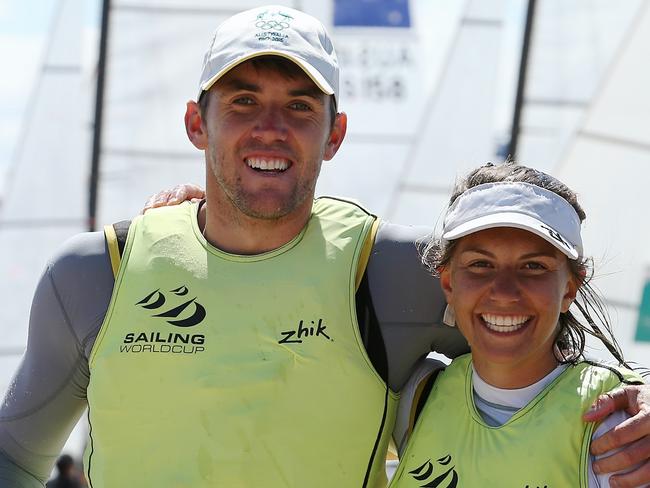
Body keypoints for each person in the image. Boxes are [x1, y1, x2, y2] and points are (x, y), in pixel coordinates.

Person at [0, 5, 649, 488]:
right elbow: (16, 457)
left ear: (334, 133)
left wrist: (641, 398)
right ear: (199, 123)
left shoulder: (393, 274)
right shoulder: (95, 275)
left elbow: (530, 343)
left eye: (300, 107)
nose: (271, 129)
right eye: (244, 100)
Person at [389, 162, 644, 487]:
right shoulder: (416, 396)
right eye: (480, 264)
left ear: (569, 288)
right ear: (449, 283)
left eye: (533, 267)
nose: (505, 292)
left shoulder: (618, 424)